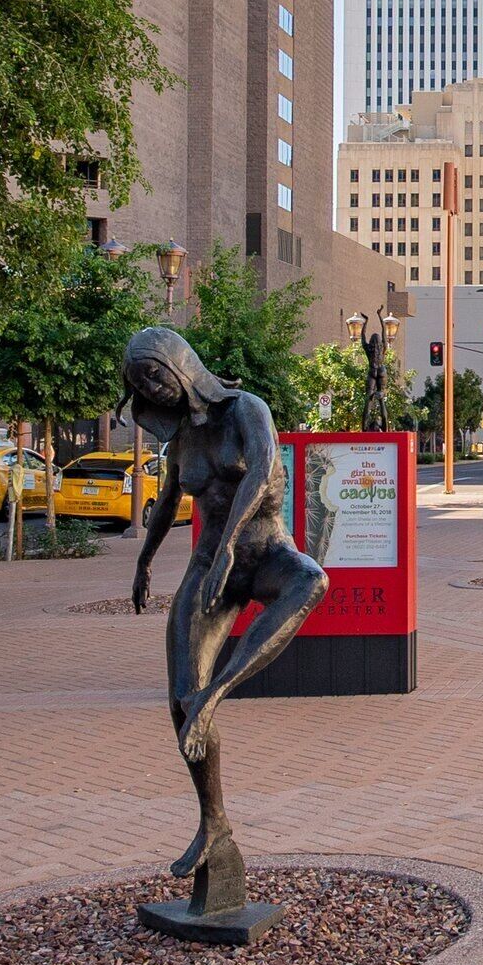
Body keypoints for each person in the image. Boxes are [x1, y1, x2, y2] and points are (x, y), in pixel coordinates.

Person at [123, 327, 327, 929]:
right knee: (178, 699)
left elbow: (262, 473)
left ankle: (219, 693)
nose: (152, 389)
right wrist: (143, 560)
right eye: (140, 385)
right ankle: (214, 823)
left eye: (156, 375)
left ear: (182, 366)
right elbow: (167, 500)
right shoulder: (183, 435)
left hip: (261, 554)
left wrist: (235, 547)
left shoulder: (246, 410)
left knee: (311, 582)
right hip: (209, 567)